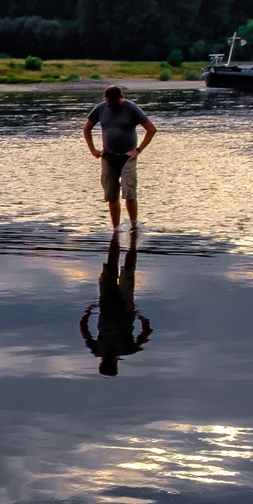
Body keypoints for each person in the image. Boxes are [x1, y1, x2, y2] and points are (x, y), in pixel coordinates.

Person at [82, 85, 155, 231]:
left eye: (114, 104)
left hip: (127, 157)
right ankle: (116, 229)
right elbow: (87, 128)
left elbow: (151, 129)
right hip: (108, 157)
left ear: (121, 98)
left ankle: (133, 227)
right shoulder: (101, 108)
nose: (111, 106)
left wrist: (138, 150)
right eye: (109, 103)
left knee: (129, 193)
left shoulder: (131, 108)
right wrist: (93, 150)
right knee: (111, 195)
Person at [79, 235, 152, 376]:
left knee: (110, 265)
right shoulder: (128, 349)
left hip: (106, 301)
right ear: (115, 363)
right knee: (129, 269)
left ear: (101, 362)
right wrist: (138, 314)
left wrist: (88, 312)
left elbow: (84, 332)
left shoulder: (97, 350)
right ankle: (132, 242)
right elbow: (145, 334)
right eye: (109, 362)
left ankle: (116, 236)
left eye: (104, 361)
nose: (107, 359)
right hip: (125, 303)